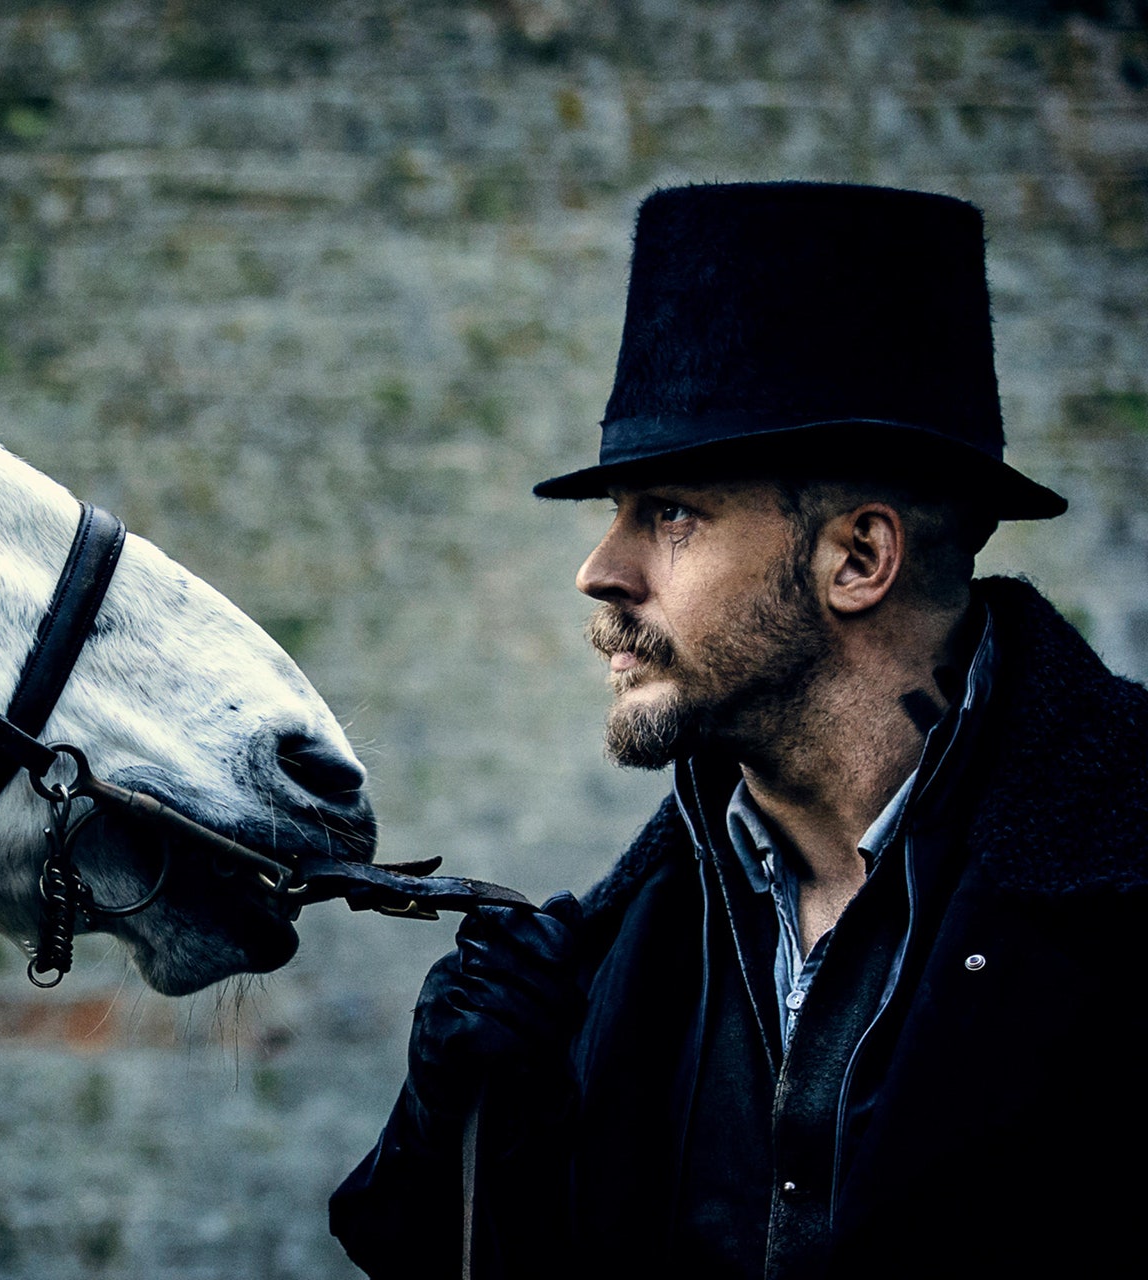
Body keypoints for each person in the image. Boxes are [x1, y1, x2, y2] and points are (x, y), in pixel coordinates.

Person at [329, 182, 1148, 1278]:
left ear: (858, 557)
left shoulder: (1122, 884)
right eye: (616, 513)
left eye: (670, 513)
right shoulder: (630, 945)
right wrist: (465, 1118)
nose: (599, 572)